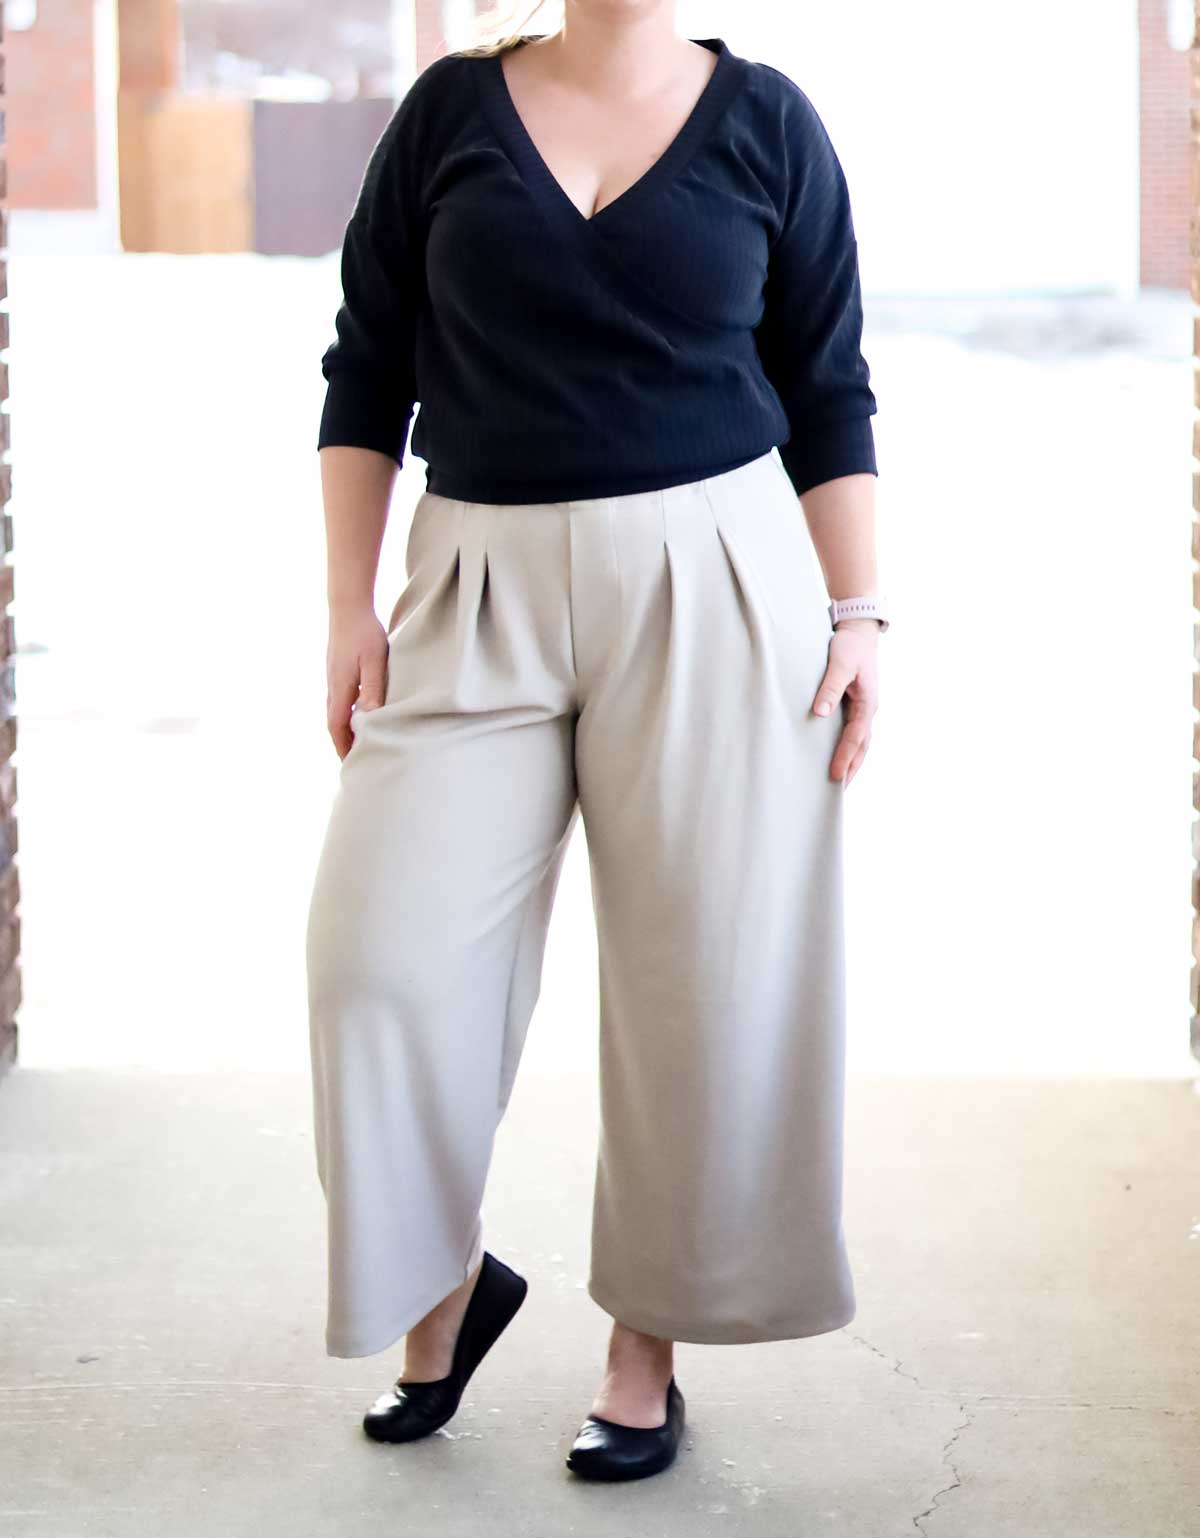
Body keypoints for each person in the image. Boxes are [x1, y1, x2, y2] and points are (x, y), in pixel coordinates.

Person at [306, 0, 886, 1484]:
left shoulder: (769, 124)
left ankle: (645, 1350)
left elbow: (829, 384)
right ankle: (444, 1287)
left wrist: (860, 612)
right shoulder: (446, 115)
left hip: (718, 579)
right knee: (380, 956)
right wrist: (348, 606)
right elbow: (365, 368)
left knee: (706, 982)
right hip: (472, 582)